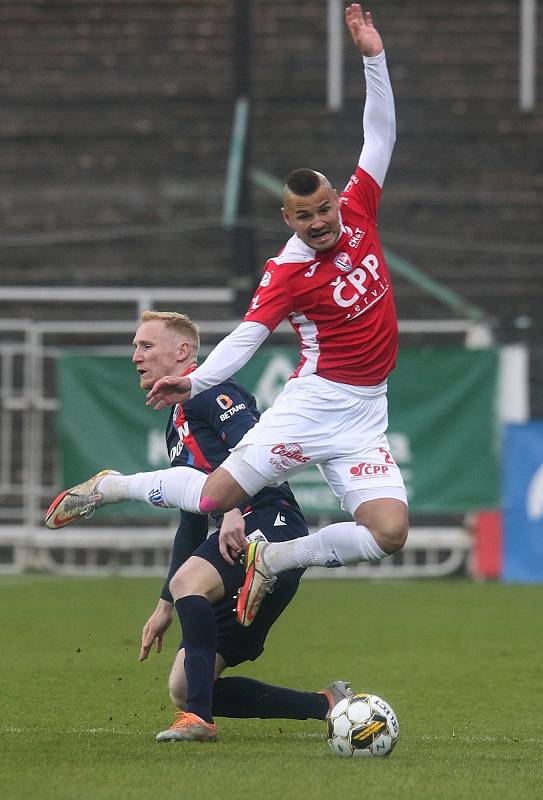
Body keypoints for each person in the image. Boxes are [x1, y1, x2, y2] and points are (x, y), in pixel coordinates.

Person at [46, 5, 408, 629]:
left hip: (366, 413)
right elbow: (249, 333)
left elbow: (379, 137)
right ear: (288, 220)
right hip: (315, 402)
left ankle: (279, 559)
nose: (321, 221)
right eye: (306, 215)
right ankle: (114, 485)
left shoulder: (360, 207)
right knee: (215, 497)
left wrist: (374, 58)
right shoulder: (288, 271)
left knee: (390, 532)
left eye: (324, 208)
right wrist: (200, 380)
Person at [85, 310, 355, 741]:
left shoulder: (212, 394)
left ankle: (199, 721)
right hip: (239, 532)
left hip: (270, 524)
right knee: (186, 686)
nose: (136, 355)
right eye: (136, 346)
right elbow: (191, 525)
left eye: (147, 346)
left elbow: (255, 449)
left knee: (191, 580)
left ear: (183, 352)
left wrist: (232, 506)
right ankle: (328, 704)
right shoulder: (176, 422)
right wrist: (164, 605)